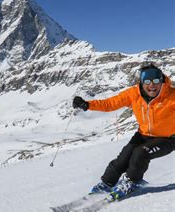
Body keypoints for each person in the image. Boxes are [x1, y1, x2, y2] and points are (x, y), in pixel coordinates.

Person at [72, 63, 174, 199]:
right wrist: (88, 104)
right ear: (141, 82)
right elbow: (111, 103)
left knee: (140, 153)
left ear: (161, 81)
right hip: (143, 135)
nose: (152, 85)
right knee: (123, 158)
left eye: (156, 81)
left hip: (167, 139)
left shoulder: (171, 96)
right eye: (147, 81)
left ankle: (132, 182)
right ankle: (107, 183)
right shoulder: (133, 94)